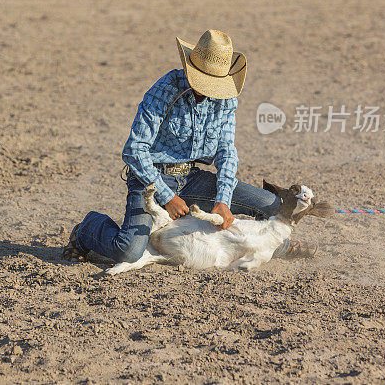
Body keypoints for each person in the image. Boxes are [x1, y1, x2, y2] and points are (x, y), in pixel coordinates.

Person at [63, 30, 316, 264]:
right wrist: (168, 197)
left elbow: (227, 152)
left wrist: (223, 200)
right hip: (151, 180)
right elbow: (134, 150)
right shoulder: (164, 91)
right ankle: (87, 229)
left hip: (193, 179)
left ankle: (276, 246)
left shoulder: (226, 98)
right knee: (128, 250)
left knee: (270, 204)